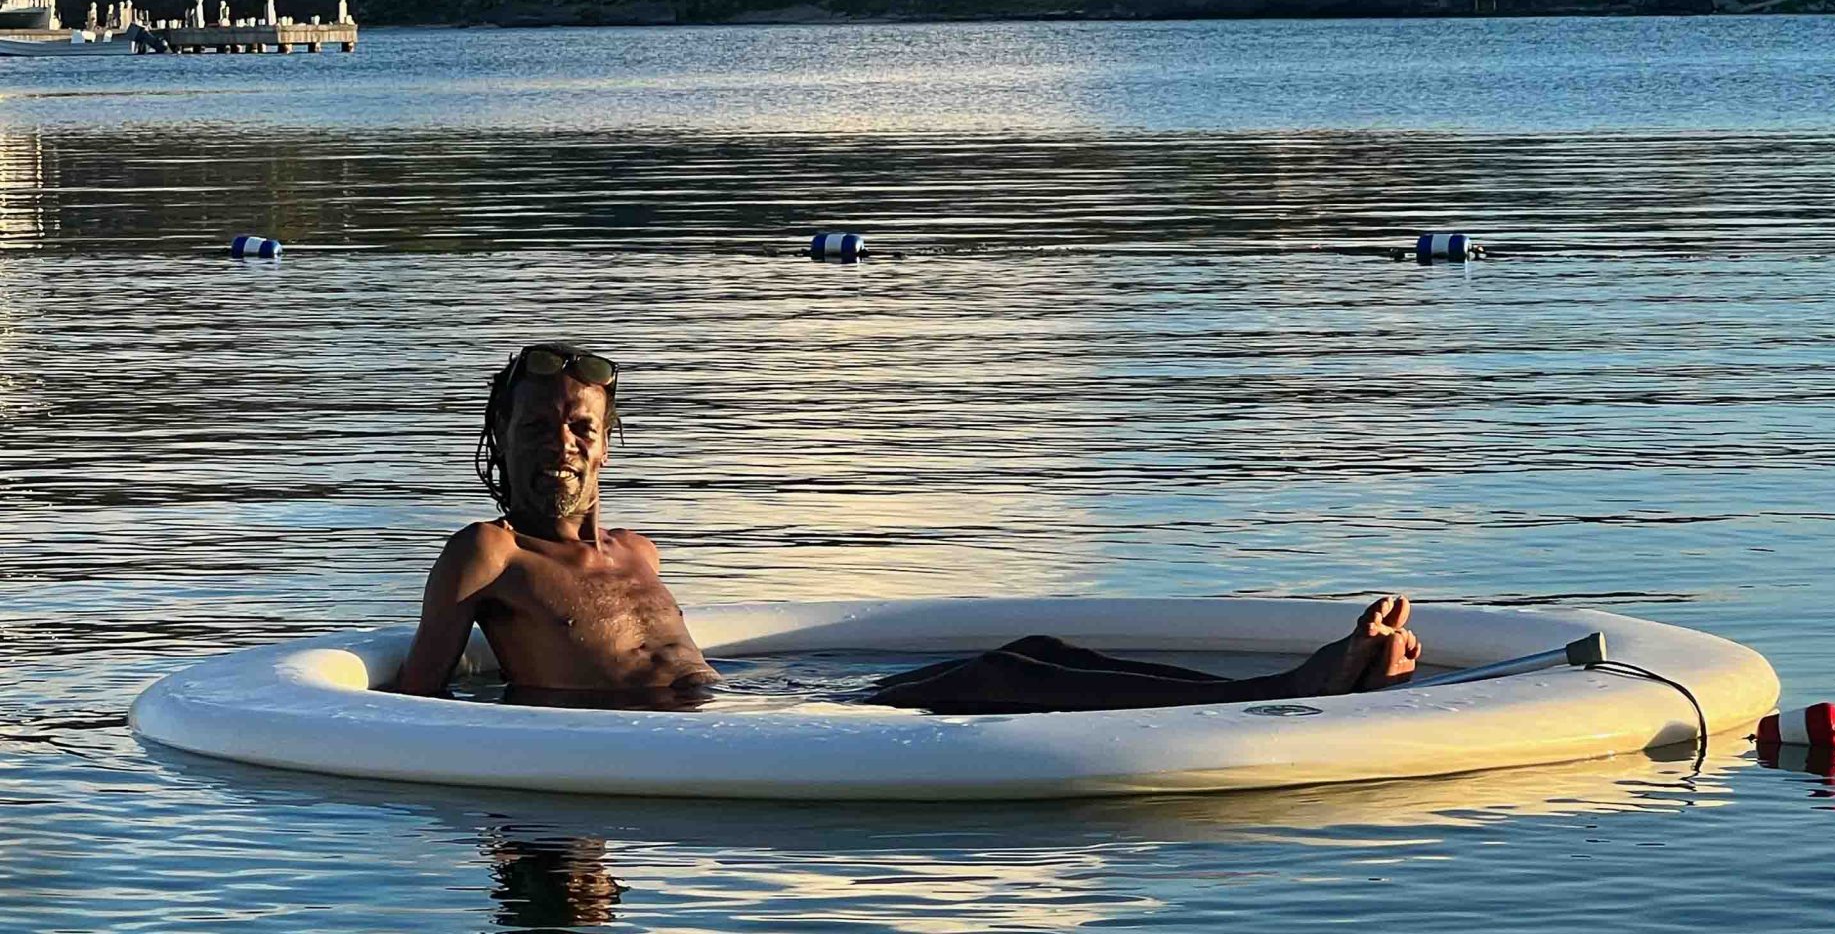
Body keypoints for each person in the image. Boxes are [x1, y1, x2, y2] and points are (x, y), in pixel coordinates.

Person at [387, 342, 1422, 711]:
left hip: (746, 712)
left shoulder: (639, 550)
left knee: (1033, 652)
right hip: (717, 745)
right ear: (501, 436)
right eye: (535, 428)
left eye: (578, 428)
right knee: (1003, 676)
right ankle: (1300, 685)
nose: (557, 446)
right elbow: (417, 704)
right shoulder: (489, 554)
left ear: (607, 444)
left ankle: (1293, 686)